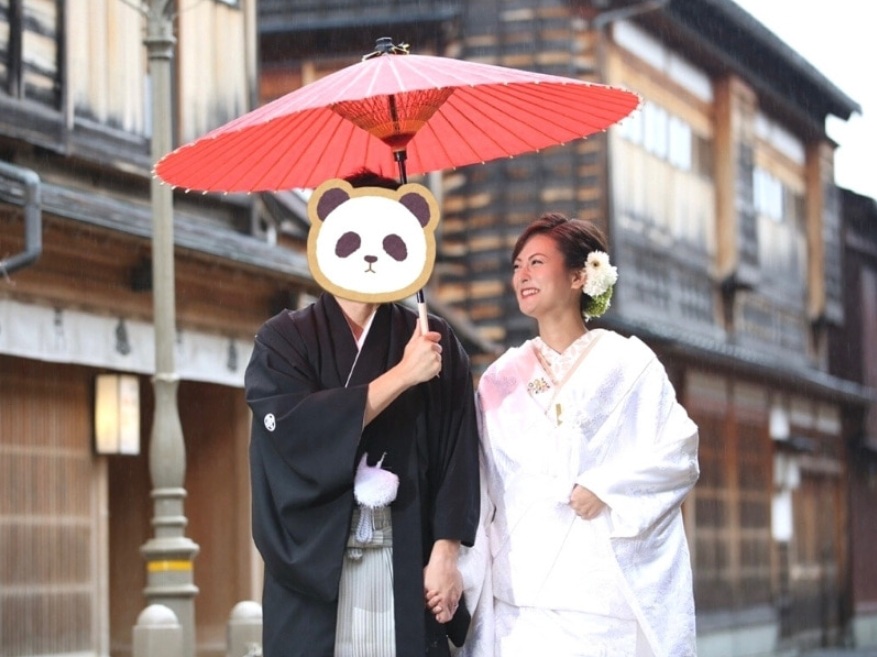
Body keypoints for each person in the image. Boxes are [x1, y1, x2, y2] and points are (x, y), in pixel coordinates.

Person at [246, 170, 480, 657]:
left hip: (407, 557)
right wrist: (402, 375)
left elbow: (457, 454)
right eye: (354, 237)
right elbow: (292, 432)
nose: (371, 254)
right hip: (315, 564)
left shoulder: (434, 340)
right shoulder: (284, 338)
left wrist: (446, 554)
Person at [461, 212, 699, 657]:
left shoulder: (629, 364)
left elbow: (679, 455)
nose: (522, 275)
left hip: (602, 602)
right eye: (517, 266)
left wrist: (607, 486)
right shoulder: (500, 379)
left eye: (536, 263)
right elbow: (479, 483)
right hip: (523, 600)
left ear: (579, 276)